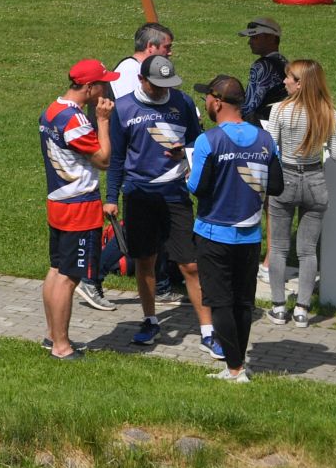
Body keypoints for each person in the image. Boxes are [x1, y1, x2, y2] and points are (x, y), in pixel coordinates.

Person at [106, 55, 223, 356]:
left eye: (167, 85)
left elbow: (199, 146)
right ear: (142, 80)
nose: (162, 91)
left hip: (174, 194)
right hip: (139, 195)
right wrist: (110, 197)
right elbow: (117, 158)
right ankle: (150, 320)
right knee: (145, 262)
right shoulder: (124, 108)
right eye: (156, 85)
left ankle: (208, 331)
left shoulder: (182, 103)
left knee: (191, 264)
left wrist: (184, 156)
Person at [186, 74, 284, 383]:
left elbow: (197, 188)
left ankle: (235, 369)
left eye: (207, 98)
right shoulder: (265, 139)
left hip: (214, 232)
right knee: (243, 301)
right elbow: (277, 185)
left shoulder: (209, 140)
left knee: (220, 302)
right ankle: (238, 363)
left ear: (216, 102)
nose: (205, 102)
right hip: (251, 234)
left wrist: (189, 171)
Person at [38, 59, 118, 360]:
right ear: (89, 87)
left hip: (58, 200)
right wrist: (103, 121)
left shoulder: (52, 110)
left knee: (57, 269)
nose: (106, 87)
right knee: (70, 277)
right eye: (103, 83)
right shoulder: (75, 122)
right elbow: (104, 159)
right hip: (79, 206)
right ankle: (61, 346)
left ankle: (52, 335)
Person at [266, 59, 336, 327]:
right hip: (315, 179)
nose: (284, 81)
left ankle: (278, 306)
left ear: (301, 83)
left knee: (279, 248)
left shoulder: (280, 110)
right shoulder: (329, 111)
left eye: (289, 77)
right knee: (308, 250)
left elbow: (271, 147)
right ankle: (302, 309)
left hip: (285, 177)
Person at [239, 16, 289, 123]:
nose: (249, 42)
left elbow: (248, 106)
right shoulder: (285, 61)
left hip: (264, 124)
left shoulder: (261, 66)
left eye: (255, 37)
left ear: (271, 38)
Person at [111, 22, 173, 100]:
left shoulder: (146, 69)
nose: (170, 52)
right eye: (166, 47)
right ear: (150, 46)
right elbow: (129, 107)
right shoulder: (130, 69)